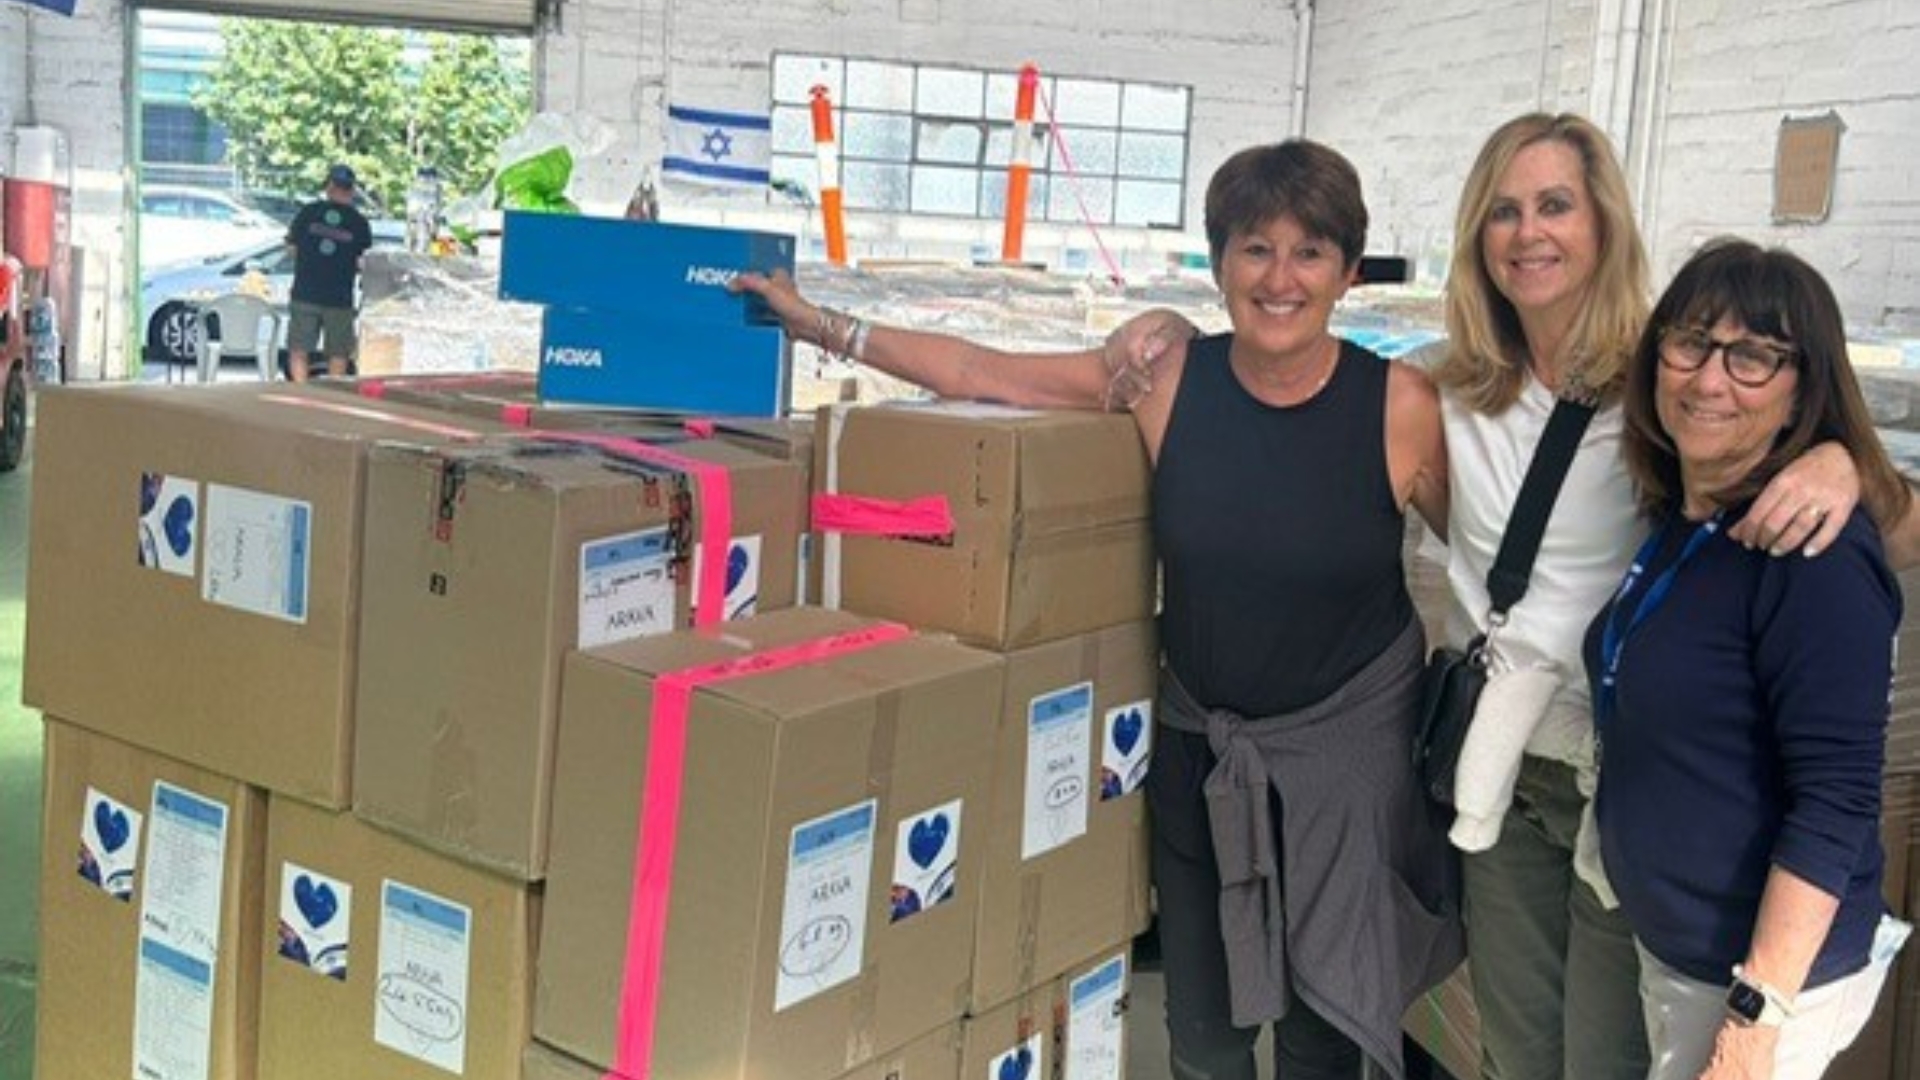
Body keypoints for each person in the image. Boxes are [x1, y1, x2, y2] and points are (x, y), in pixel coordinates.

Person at [1108, 113, 1874, 1080]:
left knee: (1603, 1058)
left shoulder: (1672, 385)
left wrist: (1839, 459)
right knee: (1516, 1054)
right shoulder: (1441, 388)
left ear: (1602, 223)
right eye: (1504, 211)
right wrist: (1174, 336)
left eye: (1555, 205)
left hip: (1621, 785)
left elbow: (1829, 484)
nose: (1528, 232)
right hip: (1496, 782)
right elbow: (1304, 394)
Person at [736, 140, 1463, 1080]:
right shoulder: (1165, 383)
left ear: (1348, 273)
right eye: (1254, 249)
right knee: (1204, 1038)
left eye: (1309, 253)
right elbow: (978, 370)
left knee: (1325, 1030)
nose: (1280, 279)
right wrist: (818, 326)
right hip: (1202, 747)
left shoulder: (1398, 405)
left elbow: (1489, 554)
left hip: (1347, 762)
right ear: (1218, 262)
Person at [1586, 238, 1911, 1080]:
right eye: (1690, 341)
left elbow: (1836, 801)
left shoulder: (1815, 555)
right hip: (1686, 949)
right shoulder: (1687, 518)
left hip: (1756, 978)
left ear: (1805, 385)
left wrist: (1757, 1016)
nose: (1709, 378)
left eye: (1754, 356)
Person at [284, 163, 372, 381]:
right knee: (338, 353)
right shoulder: (359, 222)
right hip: (339, 298)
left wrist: (310, 262)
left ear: (329, 186)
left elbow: (291, 248)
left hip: (306, 293)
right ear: (352, 190)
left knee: (299, 350)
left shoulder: (309, 212)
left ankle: (300, 394)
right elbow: (364, 262)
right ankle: (333, 396)